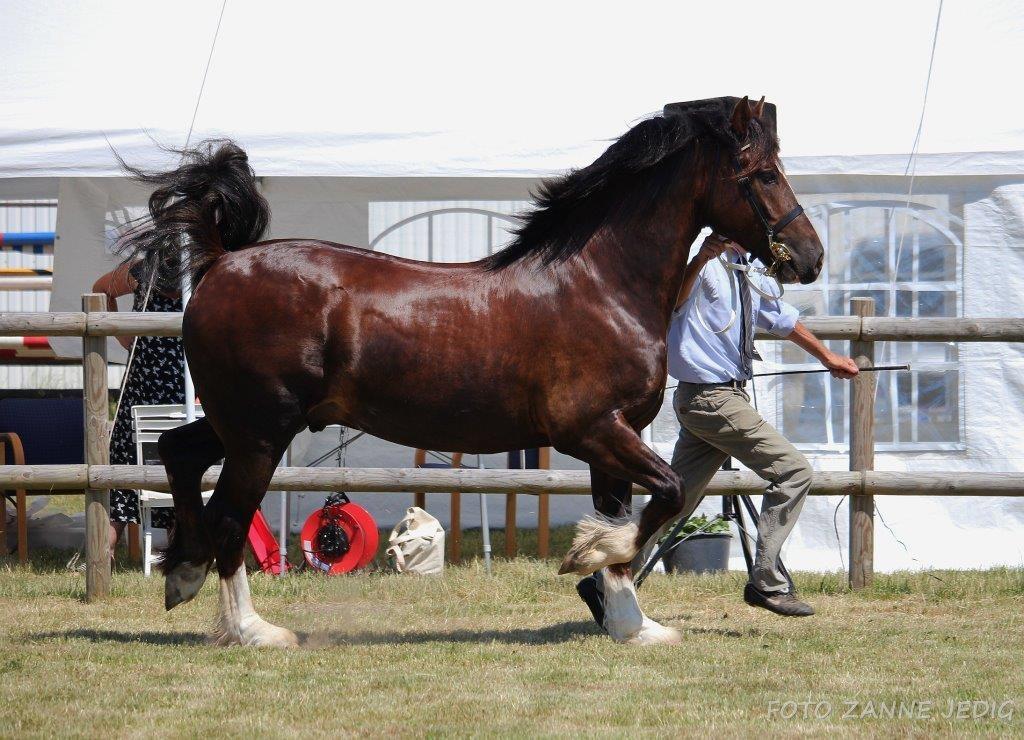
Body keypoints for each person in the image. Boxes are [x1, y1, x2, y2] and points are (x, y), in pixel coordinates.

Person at [578, 232, 859, 623]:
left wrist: (829, 357)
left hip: (722, 398)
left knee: (675, 503)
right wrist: (700, 258)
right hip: (711, 399)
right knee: (794, 472)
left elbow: (781, 319)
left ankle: (603, 577)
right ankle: (767, 581)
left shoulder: (749, 271)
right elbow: (674, 301)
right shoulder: (707, 264)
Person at [93, 260, 185, 558]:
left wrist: (124, 335)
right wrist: (122, 334)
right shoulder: (148, 269)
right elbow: (101, 289)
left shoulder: (145, 268)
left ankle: (107, 545)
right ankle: (175, 543)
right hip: (176, 376)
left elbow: (101, 289)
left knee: (127, 455)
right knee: (143, 454)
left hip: (154, 375)